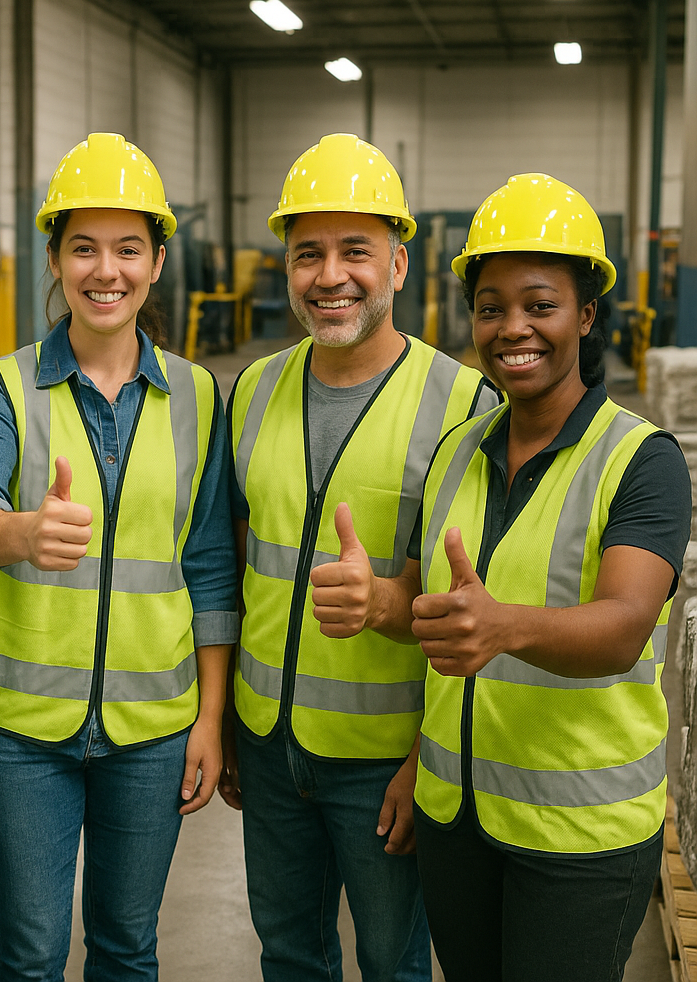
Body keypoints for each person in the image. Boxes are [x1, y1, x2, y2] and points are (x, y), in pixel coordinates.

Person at [0, 132, 237, 982]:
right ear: (57, 260)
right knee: (29, 952)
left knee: (125, 948)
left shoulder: (198, 396)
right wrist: (21, 533)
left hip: (152, 730)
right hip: (20, 733)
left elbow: (211, 563)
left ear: (155, 262)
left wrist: (209, 718)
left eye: (127, 250)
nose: (105, 270)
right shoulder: (4, 385)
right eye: (84, 248)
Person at [219, 132, 498, 982]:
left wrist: (427, 761)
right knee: (290, 955)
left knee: (391, 963)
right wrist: (227, 717)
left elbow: (479, 609)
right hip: (267, 745)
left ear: (399, 264)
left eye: (356, 251)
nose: (330, 274)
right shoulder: (255, 389)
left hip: (385, 757)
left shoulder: (463, 404)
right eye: (309, 253)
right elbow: (234, 566)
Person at [408, 173, 691, 982]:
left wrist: (506, 627)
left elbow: (624, 625)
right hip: (457, 823)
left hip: (580, 842)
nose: (512, 328)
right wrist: (376, 599)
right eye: (491, 307)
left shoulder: (640, 460)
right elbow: (440, 615)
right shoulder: (459, 450)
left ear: (587, 314)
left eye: (541, 304)